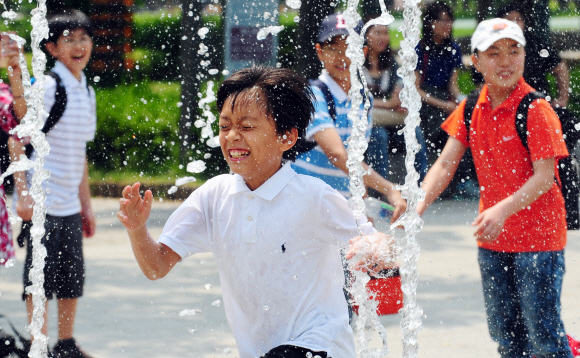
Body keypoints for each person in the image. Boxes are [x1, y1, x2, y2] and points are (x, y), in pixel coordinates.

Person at [117, 66, 395, 358]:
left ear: (286, 137)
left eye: (247, 127)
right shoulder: (214, 197)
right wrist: (137, 229)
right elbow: (156, 266)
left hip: (320, 345)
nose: (233, 136)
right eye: (225, 126)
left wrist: (378, 245)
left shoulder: (314, 196)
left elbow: (379, 246)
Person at [417, 19, 573, 357]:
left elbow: (545, 177)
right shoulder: (473, 106)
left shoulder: (537, 110)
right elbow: (445, 164)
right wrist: (417, 204)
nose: (505, 61)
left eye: (513, 51)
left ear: (524, 56)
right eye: (494, 53)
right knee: (506, 336)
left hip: (539, 241)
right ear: (476, 61)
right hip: (494, 242)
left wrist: (501, 209)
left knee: (544, 337)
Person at [8, 9, 97, 358]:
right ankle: (39, 345)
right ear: (51, 47)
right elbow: (18, 139)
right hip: (43, 203)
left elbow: (80, 153)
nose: (79, 46)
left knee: (72, 278)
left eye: (84, 38)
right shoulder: (49, 86)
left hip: (70, 207)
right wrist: (24, 194)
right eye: (69, 40)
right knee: (39, 280)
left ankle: (66, 344)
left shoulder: (85, 89)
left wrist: (86, 205)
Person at [291, 12, 406, 217]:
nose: (342, 56)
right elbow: (338, 155)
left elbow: (354, 161)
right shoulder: (314, 95)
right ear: (320, 52)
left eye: (350, 48)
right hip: (303, 205)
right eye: (333, 48)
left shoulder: (364, 100)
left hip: (338, 207)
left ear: (362, 52)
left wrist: (363, 213)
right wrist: (389, 188)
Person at [362, 20, 428, 183]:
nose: (383, 37)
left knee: (414, 131)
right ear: (365, 36)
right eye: (377, 32)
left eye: (385, 33)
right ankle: (382, 191)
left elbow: (399, 94)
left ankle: (422, 184)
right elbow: (357, 97)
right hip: (369, 122)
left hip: (389, 119)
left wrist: (400, 102)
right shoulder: (357, 65)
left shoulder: (391, 63)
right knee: (379, 135)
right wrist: (388, 104)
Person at [415, 1, 462, 153]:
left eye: (448, 20)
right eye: (441, 20)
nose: (446, 24)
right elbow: (415, 90)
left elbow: (453, 86)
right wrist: (444, 105)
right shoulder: (420, 49)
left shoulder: (453, 49)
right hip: (426, 103)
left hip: (443, 99)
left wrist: (460, 101)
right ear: (429, 23)